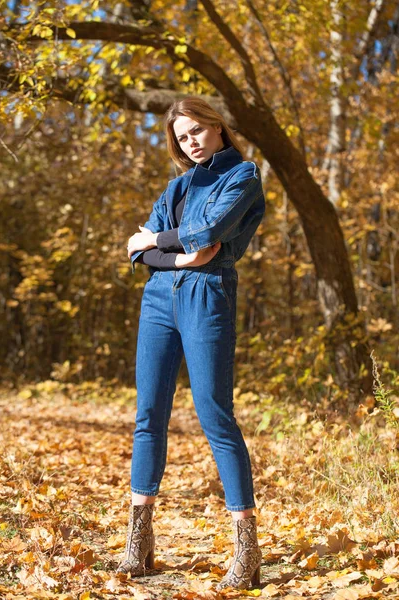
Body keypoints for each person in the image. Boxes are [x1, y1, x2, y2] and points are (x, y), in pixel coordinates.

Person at [117, 97, 265, 591]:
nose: (191, 141)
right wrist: (178, 258)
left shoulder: (241, 176)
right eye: (182, 137)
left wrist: (158, 241)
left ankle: (247, 548)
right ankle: (139, 542)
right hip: (159, 300)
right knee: (148, 414)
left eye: (198, 130)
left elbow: (211, 233)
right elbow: (139, 254)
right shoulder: (177, 186)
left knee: (214, 413)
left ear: (218, 126)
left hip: (209, 296)